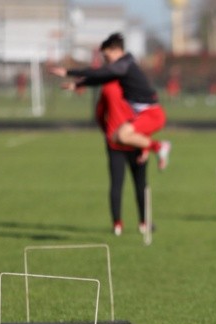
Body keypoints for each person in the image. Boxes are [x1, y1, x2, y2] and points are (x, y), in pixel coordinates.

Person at [50, 32, 171, 170]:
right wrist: (77, 85)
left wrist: (68, 72)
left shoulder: (124, 65)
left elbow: (99, 73)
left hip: (152, 114)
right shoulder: (124, 66)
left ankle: (160, 147)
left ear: (116, 51)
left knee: (122, 135)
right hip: (146, 114)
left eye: (107, 57)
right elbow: (102, 78)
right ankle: (157, 147)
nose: (106, 61)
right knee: (116, 137)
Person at [95, 80, 148, 236]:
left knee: (118, 184)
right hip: (133, 142)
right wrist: (146, 145)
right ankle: (141, 223)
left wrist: (108, 131)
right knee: (139, 184)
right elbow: (147, 118)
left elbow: (99, 114)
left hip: (119, 142)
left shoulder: (107, 87)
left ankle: (119, 224)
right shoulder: (138, 86)